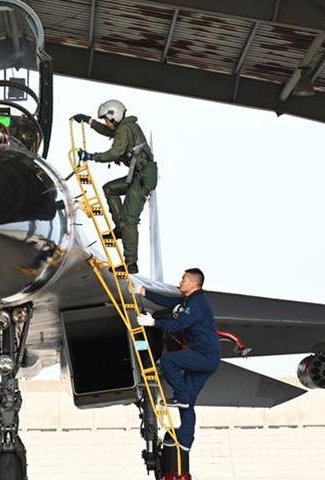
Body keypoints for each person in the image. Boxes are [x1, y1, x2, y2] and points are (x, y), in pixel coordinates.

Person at [137, 268, 220, 451]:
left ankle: (180, 397)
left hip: (204, 356)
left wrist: (153, 323)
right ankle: (185, 441)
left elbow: (178, 325)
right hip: (205, 357)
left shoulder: (197, 304)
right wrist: (144, 292)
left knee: (168, 361)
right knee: (188, 402)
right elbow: (169, 301)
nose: (180, 281)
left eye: (183, 279)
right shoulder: (188, 300)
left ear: (192, 283)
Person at [71, 100, 158, 274]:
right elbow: (109, 131)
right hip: (137, 175)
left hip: (143, 177)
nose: (106, 123)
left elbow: (115, 153)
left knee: (129, 219)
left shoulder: (125, 129)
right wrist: (90, 121)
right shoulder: (123, 128)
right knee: (109, 189)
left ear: (114, 116)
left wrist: (91, 156)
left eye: (106, 120)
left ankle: (131, 263)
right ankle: (119, 229)